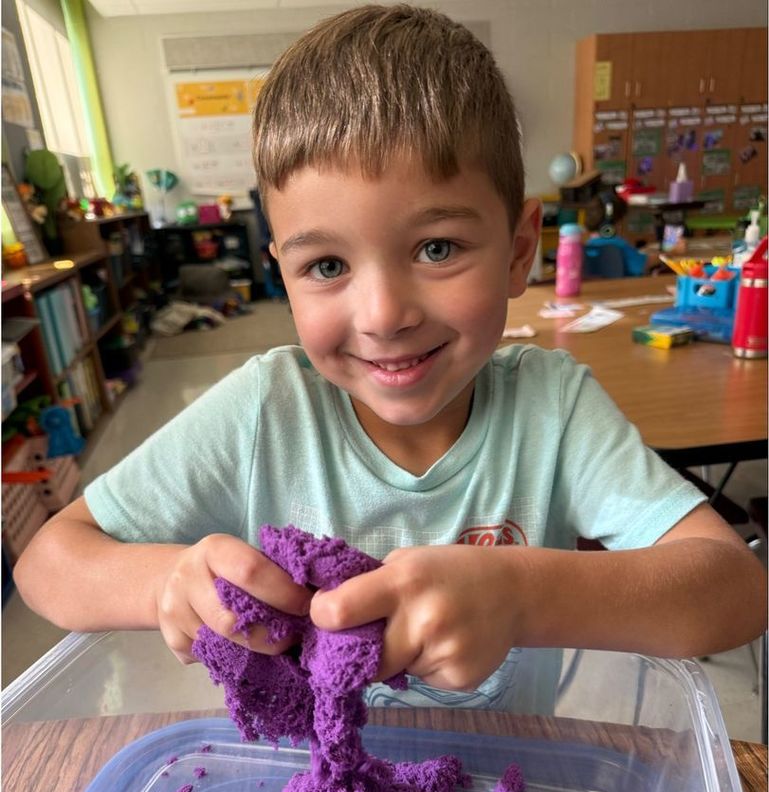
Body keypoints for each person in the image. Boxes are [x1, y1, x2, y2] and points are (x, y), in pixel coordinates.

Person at [14, 5, 765, 713]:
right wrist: (165, 584)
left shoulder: (552, 407)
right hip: (309, 787)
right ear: (282, 273)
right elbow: (48, 563)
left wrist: (520, 595)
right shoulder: (264, 411)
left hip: (509, 785)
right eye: (327, 267)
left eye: (436, 248)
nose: (381, 316)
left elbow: (733, 589)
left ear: (518, 252)